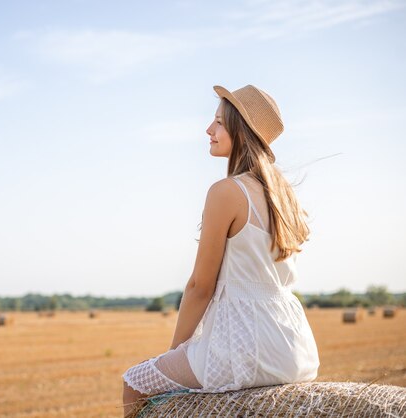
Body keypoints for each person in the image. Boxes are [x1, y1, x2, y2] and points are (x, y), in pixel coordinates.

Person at [122, 84, 320, 417]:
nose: (208, 130)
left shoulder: (226, 191)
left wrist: (175, 352)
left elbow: (201, 286)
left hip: (241, 346)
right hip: (292, 345)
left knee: (135, 382)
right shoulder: (284, 195)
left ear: (240, 131)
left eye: (218, 122)